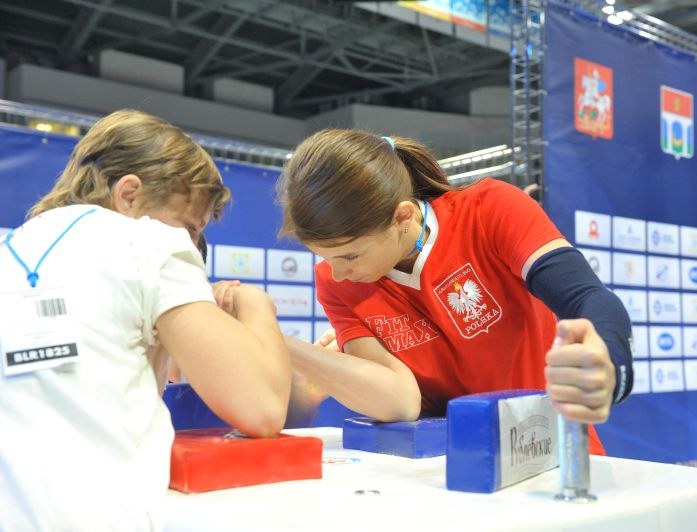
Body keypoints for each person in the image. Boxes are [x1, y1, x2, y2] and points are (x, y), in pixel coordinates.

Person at [0, 109, 291, 531]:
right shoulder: (147, 242)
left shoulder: (12, 250)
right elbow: (262, 408)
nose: (193, 245)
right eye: (189, 227)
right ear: (129, 195)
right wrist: (256, 306)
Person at [278, 129, 633, 453]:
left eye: (350, 255)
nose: (336, 273)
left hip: (546, 449)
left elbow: (587, 297)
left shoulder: (489, 210)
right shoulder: (336, 282)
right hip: (447, 470)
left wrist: (609, 362)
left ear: (403, 217)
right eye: (325, 257)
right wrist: (281, 343)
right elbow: (399, 402)